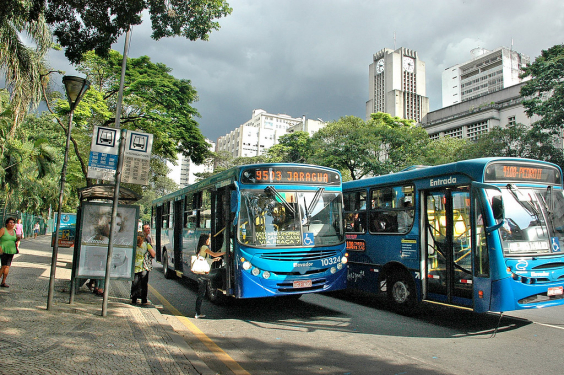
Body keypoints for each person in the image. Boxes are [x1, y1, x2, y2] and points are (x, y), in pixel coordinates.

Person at [194, 233, 225, 319]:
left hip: (201, 274)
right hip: (203, 274)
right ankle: (220, 287)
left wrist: (214, 260)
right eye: (209, 239)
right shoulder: (204, 247)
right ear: (205, 240)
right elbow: (214, 254)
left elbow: (205, 259)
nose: (210, 241)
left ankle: (197, 313)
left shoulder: (201, 247)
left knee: (201, 293)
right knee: (221, 271)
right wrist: (225, 252)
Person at [131, 232, 156, 305]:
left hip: (135, 266)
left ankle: (134, 299)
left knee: (135, 283)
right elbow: (153, 254)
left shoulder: (133, 244)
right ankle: (144, 300)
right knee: (144, 284)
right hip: (144, 267)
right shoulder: (146, 245)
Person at [0, 217, 19, 287]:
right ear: (7, 224)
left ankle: (3, 281)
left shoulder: (14, 231)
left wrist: (18, 238)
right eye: (10, 222)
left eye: (13, 222)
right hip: (3, 250)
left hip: (11, 250)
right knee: (3, 266)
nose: (12, 224)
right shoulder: (3, 230)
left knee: (7, 266)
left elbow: (15, 240)